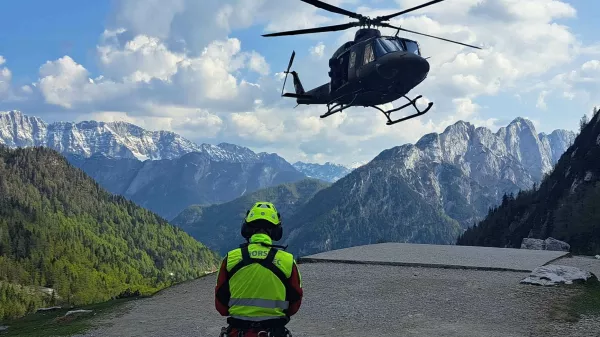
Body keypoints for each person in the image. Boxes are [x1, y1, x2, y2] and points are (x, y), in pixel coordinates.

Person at [215, 201, 303, 337]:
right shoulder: (287, 261)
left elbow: (221, 306)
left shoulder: (230, 259)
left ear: (246, 229)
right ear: (276, 231)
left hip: (237, 332)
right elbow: (294, 303)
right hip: (274, 332)